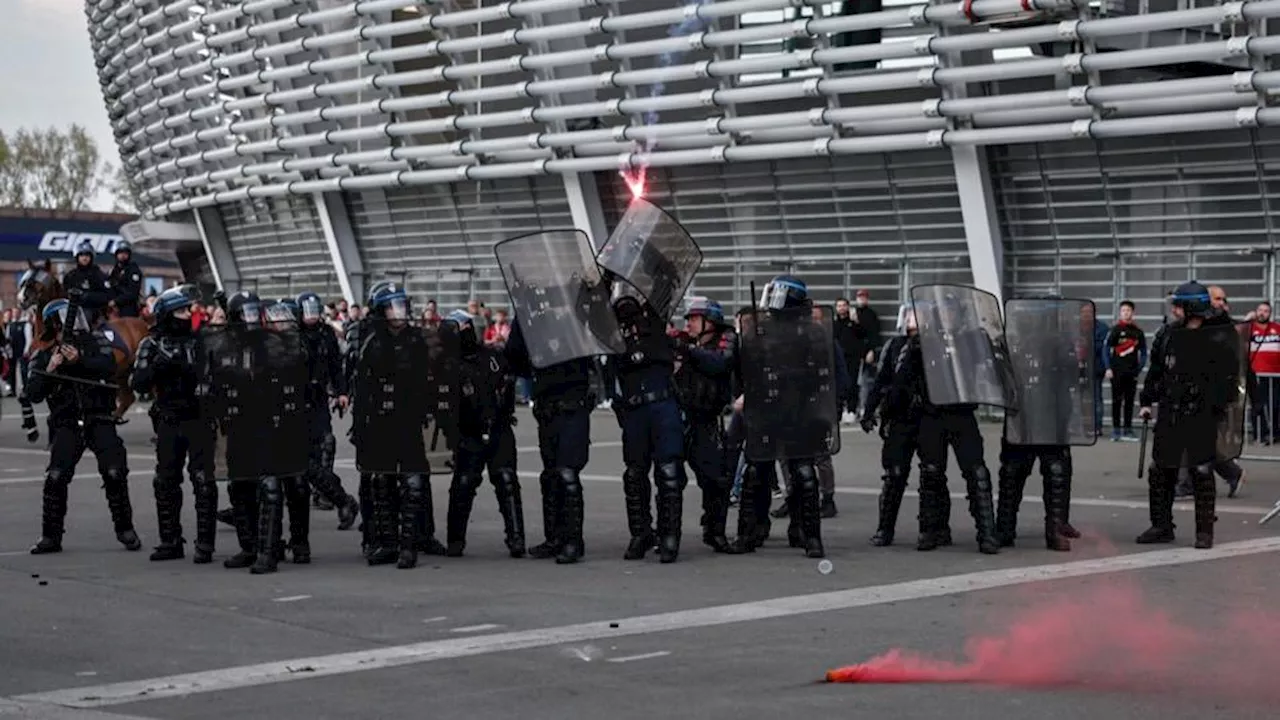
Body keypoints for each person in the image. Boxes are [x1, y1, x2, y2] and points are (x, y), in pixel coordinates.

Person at [28, 299, 141, 554]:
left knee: (114, 471)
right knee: (56, 477)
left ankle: (125, 528)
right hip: (67, 422)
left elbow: (109, 366)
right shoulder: (44, 353)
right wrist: (51, 368)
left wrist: (79, 360)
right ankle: (51, 536)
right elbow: (33, 393)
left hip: (98, 417)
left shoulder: (96, 342)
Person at [1137, 281, 1240, 549]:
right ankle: (1161, 525)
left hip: (1202, 412)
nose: (1174, 310)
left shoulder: (1219, 334)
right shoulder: (1168, 334)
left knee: (1201, 469)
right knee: (1161, 469)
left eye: (1178, 305)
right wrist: (1147, 400)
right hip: (1171, 409)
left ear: (1191, 307)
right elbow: (1157, 370)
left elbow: (1229, 375)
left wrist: (1218, 406)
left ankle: (1204, 532)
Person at [351, 284, 443, 568]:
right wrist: (360, 425)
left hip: (409, 418)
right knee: (381, 481)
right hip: (379, 420)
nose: (399, 313)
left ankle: (412, 542)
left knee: (415, 480)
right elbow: (362, 385)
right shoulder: (371, 341)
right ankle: (386, 542)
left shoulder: (416, 339)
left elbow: (433, 375)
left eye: (401, 306)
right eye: (392, 307)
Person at [132, 286, 217, 563]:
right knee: (166, 480)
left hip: (199, 417)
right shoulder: (151, 344)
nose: (186, 315)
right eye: (180, 311)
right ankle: (170, 540)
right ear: (167, 314)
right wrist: (158, 367)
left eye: (187, 310)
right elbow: (138, 383)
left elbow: (217, 374)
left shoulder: (200, 341)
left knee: (203, 480)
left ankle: (205, 544)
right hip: (168, 417)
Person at [603, 289, 688, 563]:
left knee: (669, 472)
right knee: (635, 473)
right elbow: (590, 305)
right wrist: (604, 279)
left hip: (662, 404)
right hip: (634, 408)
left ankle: (669, 535)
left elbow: (665, 279)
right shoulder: (611, 334)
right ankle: (641, 533)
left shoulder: (654, 320)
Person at [443, 310, 525, 558]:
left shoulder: (493, 357)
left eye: (469, 328)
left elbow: (509, 378)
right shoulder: (448, 365)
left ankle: (516, 538)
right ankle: (455, 540)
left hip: (498, 427)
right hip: (469, 433)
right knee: (464, 484)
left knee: (506, 480)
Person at [860, 305, 934, 547]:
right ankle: (885, 528)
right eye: (911, 316)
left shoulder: (935, 346)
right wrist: (869, 410)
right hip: (899, 417)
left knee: (931, 473)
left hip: (927, 416)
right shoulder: (894, 346)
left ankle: (930, 530)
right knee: (894, 474)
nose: (912, 321)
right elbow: (882, 379)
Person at [672, 298, 734, 553]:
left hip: (706, 420)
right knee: (671, 479)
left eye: (694, 318)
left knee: (716, 480)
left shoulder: (726, 337)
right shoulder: (685, 342)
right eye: (687, 319)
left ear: (710, 321)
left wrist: (686, 350)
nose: (688, 323)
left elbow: (720, 363)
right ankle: (667, 534)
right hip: (679, 417)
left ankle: (714, 531)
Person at [295, 291, 360, 528]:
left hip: (319, 397)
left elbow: (335, 366)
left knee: (325, 447)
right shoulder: (292, 335)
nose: (311, 317)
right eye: (307, 312)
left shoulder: (326, 335)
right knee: (302, 459)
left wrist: (342, 392)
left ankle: (334, 498)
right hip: (295, 400)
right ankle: (341, 499)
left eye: (314, 311)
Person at [1104, 300, 1147, 442]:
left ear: (1133, 313)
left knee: (1129, 401)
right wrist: (1108, 368)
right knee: (1116, 401)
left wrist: (1139, 368)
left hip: (1131, 373)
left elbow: (1144, 352)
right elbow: (1105, 350)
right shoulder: (1115, 330)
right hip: (1116, 372)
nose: (1125, 313)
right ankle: (1116, 430)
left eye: (1128, 310)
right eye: (1123, 310)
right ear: (1120, 313)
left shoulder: (1138, 332)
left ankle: (1128, 430)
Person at [61, 240, 112, 326]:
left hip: (92, 310)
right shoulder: (70, 276)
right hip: (71, 310)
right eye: (81, 255)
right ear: (77, 257)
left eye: (87, 255)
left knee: (85, 315)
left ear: (91, 257)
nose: (84, 258)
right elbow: (64, 294)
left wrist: (88, 296)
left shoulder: (98, 275)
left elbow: (107, 296)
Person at [106, 241, 143, 318]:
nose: (123, 255)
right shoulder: (113, 271)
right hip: (112, 306)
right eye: (120, 253)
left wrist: (116, 301)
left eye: (125, 253)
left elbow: (132, 293)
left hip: (128, 307)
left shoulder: (133, 270)